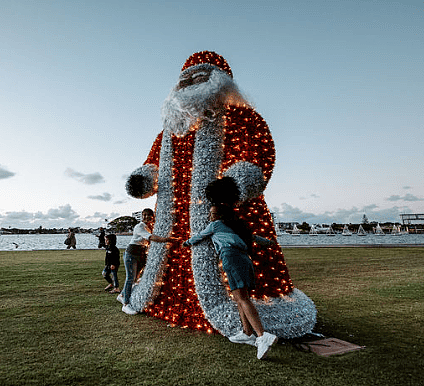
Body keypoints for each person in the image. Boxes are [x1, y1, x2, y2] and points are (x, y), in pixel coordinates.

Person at [123, 51, 316, 339]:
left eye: (199, 78)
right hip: (174, 219)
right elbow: (153, 164)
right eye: (185, 80)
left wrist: (235, 184)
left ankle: (251, 323)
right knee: (170, 265)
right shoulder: (170, 131)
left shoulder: (243, 117)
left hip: (230, 213)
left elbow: (262, 155)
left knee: (240, 276)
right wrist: (143, 179)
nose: (191, 84)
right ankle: (168, 303)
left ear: (219, 81)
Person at [183, 204, 277, 359]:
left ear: (220, 215)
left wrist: (186, 243)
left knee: (242, 298)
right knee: (240, 298)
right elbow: (255, 238)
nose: (210, 216)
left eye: (213, 214)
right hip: (244, 259)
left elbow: (200, 235)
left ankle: (262, 336)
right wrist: (270, 242)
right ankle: (247, 333)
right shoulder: (237, 226)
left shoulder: (216, 225)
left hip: (230, 257)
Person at [118, 208, 178, 315]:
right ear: (142, 216)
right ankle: (126, 305)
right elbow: (151, 238)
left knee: (136, 278)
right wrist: (167, 240)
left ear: (152, 216)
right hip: (132, 253)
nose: (146, 217)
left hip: (141, 254)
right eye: (144, 215)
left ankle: (122, 295)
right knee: (130, 278)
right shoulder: (139, 226)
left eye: (149, 215)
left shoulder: (150, 227)